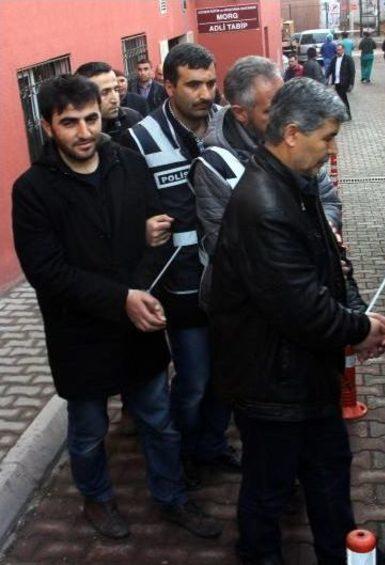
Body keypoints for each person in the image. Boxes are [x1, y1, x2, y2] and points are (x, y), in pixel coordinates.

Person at [11, 74, 222, 541]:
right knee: (87, 433)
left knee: (160, 423)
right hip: (80, 335)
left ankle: (171, 498)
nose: (84, 132)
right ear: (48, 126)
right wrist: (121, 297)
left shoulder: (128, 164)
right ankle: (97, 498)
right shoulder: (32, 191)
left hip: (136, 326)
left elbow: (155, 237)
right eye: (70, 123)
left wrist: (140, 289)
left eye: (90, 118)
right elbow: (48, 272)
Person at [207, 77, 385, 564]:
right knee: (268, 490)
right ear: (292, 133)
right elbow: (303, 308)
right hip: (273, 385)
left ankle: (342, 553)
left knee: (329, 472)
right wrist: (360, 329)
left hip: (303, 376)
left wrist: (353, 315)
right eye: (327, 138)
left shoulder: (295, 183)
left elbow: (331, 264)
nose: (331, 149)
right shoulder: (265, 205)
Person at [120, 43, 240, 489]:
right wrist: (141, 228)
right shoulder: (140, 138)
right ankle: (183, 452)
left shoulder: (231, 125)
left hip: (231, 280)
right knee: (194, 380)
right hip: (181, 283)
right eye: (193, 85)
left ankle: (212, 444)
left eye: (210, 83)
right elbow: (124, 208)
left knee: (226, 376)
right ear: (168, 86)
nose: (205, 93)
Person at [188, 56, 352, 311]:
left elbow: (328, 199)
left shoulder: (298, 141)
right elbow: (222, 245)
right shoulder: (213, 167)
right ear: (241, 113)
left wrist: (327, 232)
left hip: (305, 293)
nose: (285, 117)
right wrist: (314, 257)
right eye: (270, 110)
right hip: (256, 312)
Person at [75, 62, 143, 144]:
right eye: (104, 93)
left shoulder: (133, 119)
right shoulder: (76, 133)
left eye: (116, 89)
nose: (115, 99)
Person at [327, 43, 355, 120]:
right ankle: (344, 115)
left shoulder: (348, 59)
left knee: (343, 98)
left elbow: (352, 71)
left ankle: (348, 115)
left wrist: (351, 84)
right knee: (340, 98)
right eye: (337, 50)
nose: (338, 51)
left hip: (344, 82)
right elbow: (329, 69)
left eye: (339, 49)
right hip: (337, 82)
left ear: (343, 50)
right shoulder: (334, 59)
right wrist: (326, 77)